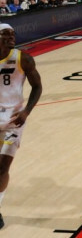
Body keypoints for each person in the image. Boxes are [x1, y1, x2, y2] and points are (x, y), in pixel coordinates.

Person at [0, 23, 43, 229]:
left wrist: (27, 111)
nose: (11, 37)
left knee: (2, 166)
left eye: (12, 34)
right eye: (5, 34)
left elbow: (37, 86)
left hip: (14, 120)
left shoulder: (23, 58)